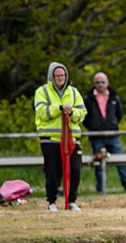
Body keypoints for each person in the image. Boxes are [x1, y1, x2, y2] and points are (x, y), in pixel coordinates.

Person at [34, 62, 86, 212]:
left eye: (62, 75)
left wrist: (71, 112)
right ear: (52, 76)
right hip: (51, 139)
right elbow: (41, 112)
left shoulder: (74, 92)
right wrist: (59, 109)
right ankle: (52, 201)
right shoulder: (42, 91)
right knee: (53, 172)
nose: (60, 78)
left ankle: (72, 200)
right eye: (57, 75)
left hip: (71, 139)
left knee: (75, 170)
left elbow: (82, 113)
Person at [82, 72, 126, 193]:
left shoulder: (114, 97)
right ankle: (101, 188)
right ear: (94, 84)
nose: (100, 85)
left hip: (113, 135)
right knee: (99, 162)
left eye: (102, 82)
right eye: (97, 82)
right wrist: (93, 126)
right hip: (96, 136)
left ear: (107, 82)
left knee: (121, 161)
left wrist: (113, 124)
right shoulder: (88, 99)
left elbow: (119, 114)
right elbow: (85, 118)